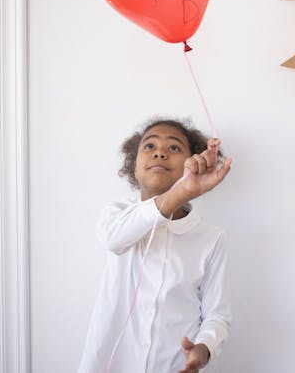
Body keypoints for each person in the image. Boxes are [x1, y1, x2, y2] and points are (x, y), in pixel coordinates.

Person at [78, 118, 233, 373]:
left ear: (191, 163)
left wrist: (203, 350)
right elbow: (113, 240)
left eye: (174, 148)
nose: (160, 152)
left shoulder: (211, 238)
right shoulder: (117, 215)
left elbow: (217, 316)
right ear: (134, 167)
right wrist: (180, 193)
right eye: (149, 146)